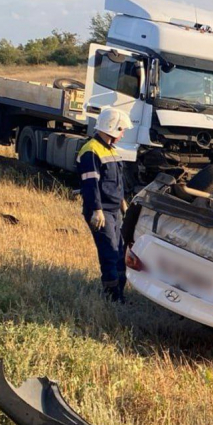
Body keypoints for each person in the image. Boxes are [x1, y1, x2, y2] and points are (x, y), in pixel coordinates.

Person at [77, 107, 133, 302]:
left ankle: (120, 295)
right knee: (110, 253)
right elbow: (90, 185)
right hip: (101, 212)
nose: (123, 133)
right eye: (122, 129)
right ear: (112, 128)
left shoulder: (111, 150)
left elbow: (116, 183)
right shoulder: (91, 150)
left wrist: (123, 204)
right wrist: (97, 211)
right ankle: (111, 298)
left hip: (114, 210)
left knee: (120, 253)